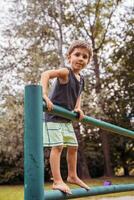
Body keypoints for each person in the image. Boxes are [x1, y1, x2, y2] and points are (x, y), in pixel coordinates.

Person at [41, 40, 93, 194]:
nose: (81, 59)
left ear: (88, 61)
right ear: (69, 57)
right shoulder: (65, 72)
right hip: (53, 116)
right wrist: (44, 94)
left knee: (73, 147)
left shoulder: (81, 79)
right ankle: (57, 181)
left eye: (85, 57)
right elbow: (46, 74)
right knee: (58, 147)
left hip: (66, 119)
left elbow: (78, 95)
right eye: (77, 55)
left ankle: (72, 175)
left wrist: (78, 108)